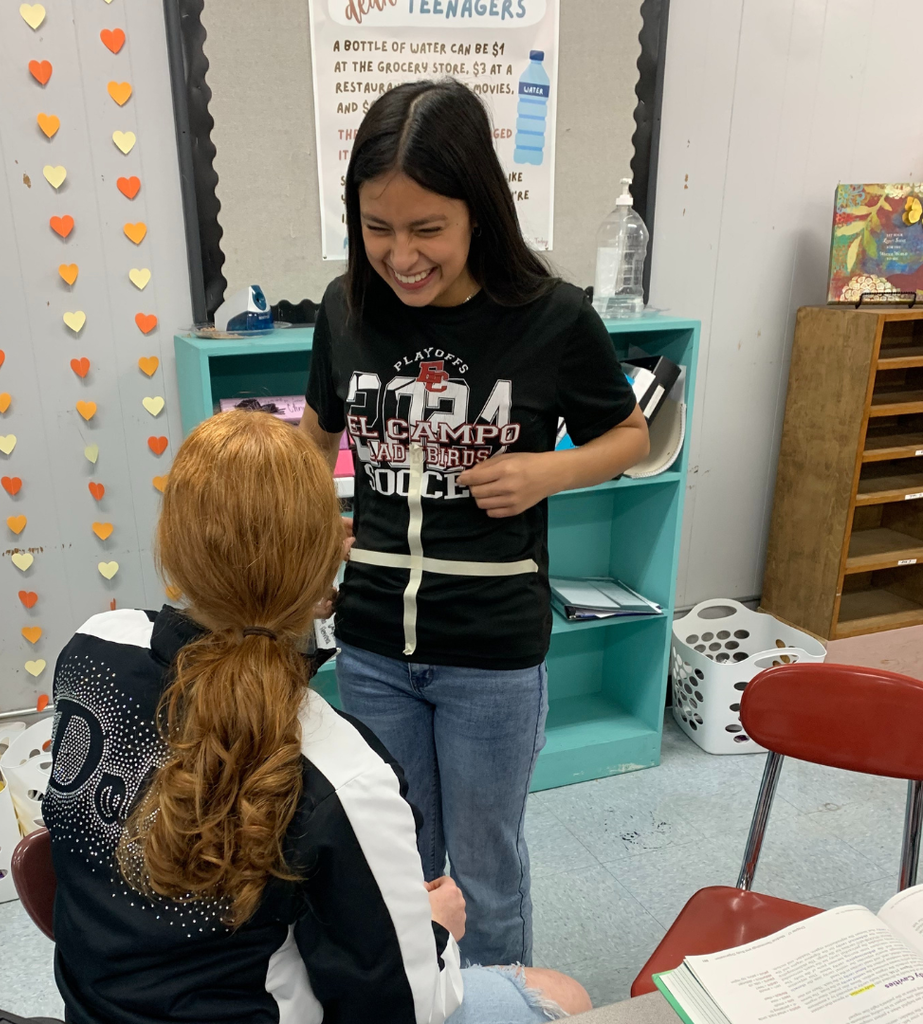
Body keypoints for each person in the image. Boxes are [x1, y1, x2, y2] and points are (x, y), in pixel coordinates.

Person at [41, 410, 591, 1023]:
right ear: (326, 569)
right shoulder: (341, 772)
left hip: (93, 1008)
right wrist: (437, 931)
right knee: (564, 997)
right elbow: (404, 1008)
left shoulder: (93, 648)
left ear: (171, 545)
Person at [299, 79, 650, 967]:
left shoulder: (552, 316)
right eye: (379, 228)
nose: (401, 256)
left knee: (486, 868)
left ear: (479, 212)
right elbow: (314, 437)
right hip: (374, 642)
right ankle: (421, 998)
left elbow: (632, 433)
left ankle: (497, 999)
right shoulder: (346, 309)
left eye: (428, 230)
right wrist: (306, 527)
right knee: (401, 860)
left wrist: (549, 471)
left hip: (491, 654)